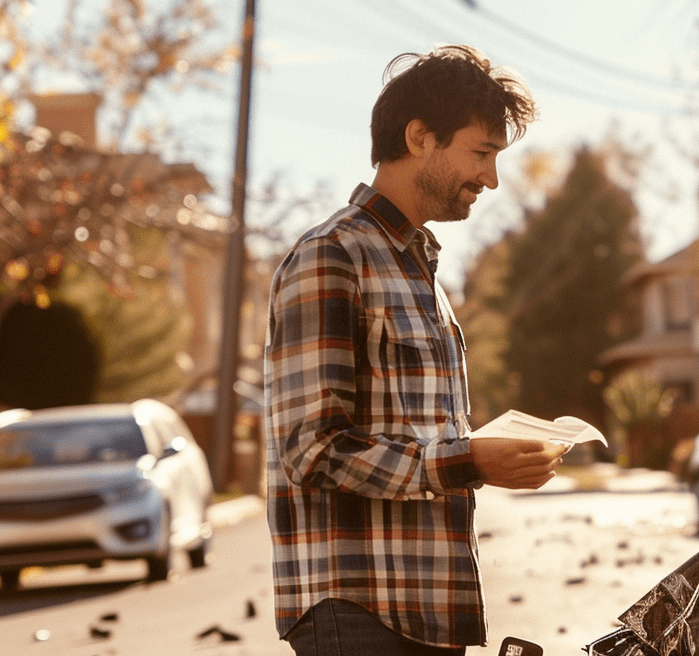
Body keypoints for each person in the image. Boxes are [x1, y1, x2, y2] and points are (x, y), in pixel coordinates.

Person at [263, 44, 558, 655]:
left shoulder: (422, 272)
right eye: (481, 153)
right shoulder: (331, 256)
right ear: (420, 136)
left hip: (428, 608)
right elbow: (311, 447)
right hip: (359, 609)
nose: (491, 178)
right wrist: (469, 462)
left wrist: (480, 455)